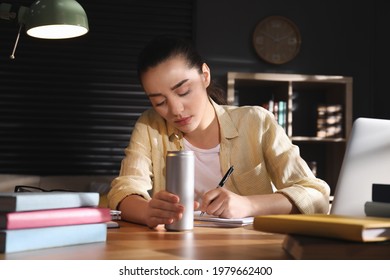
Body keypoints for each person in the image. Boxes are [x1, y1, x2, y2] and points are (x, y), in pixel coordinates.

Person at [107, 36, 330, 228]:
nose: (176, 110)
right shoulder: (150, 125)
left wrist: (248, 205)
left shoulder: (256, 121)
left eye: (183, 92)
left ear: (205, 75)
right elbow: (124, 189)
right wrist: (147, 211)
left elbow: (317, 196)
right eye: (159, 101)